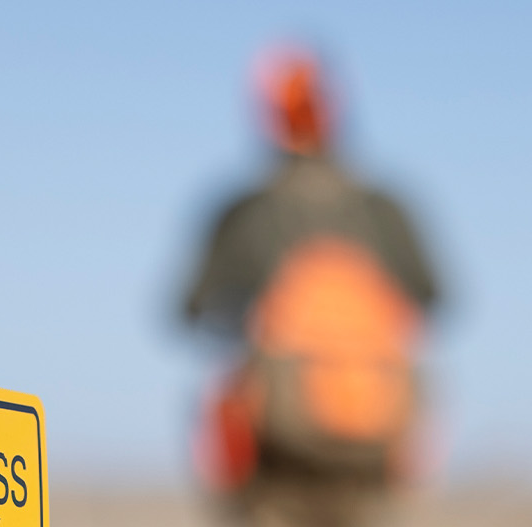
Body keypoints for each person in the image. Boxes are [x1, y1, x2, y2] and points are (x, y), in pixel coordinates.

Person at [182, 49, 443, 495]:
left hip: (275, 430)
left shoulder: (246, 210)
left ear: (266, 115)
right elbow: (434, 295)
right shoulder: (385, 209)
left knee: (218, 399)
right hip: (378, 427)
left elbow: (191, 309)